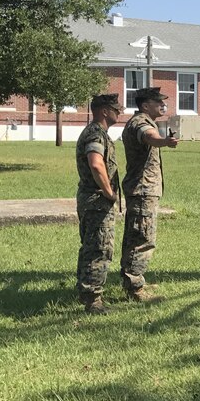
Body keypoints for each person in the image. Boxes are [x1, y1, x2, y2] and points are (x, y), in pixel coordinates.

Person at [119, 87, 179, 304]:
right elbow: (149, 137)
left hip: (144, 189)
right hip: (143, 190)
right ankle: (135, 288)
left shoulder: (143, 121)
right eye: (158, 102)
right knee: (142, 238)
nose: (162, 105)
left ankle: (131, 280)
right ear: (145, 106)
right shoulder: (140, 123)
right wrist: (164, 141)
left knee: (135, 236)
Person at [75, 94, 123, 315]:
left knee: (90, 246)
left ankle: (85, 291)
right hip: (96, 201)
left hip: (91, 199)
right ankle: (93, 300)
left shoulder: (98, 133)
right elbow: (96, 164)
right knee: (98, 249)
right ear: (104, 111)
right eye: (116, 108)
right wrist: (109, 192)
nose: (119, 112)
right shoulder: (95, 134)